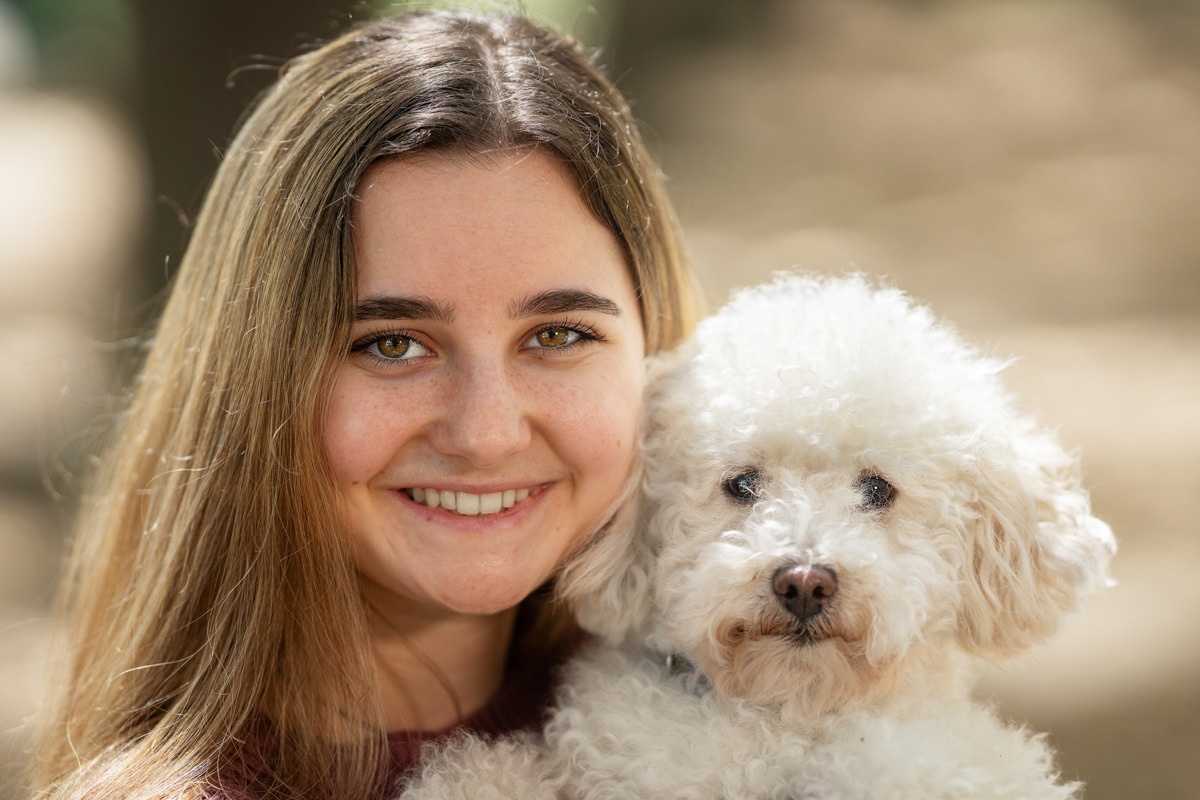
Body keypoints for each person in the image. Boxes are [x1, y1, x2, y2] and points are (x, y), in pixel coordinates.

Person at [31, 7, 702, 800]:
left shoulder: (747, 713)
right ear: (260, 382)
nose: (485, 433)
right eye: (392, 345)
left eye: (557, 335)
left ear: (653, 345)